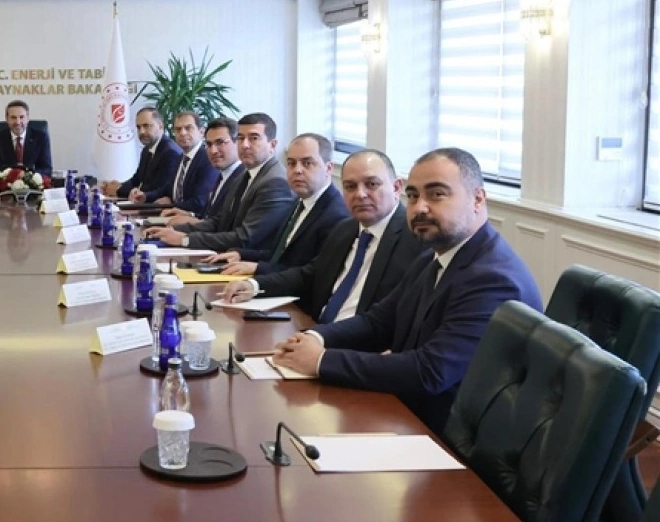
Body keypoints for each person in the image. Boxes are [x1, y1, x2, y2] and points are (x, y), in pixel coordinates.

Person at [272, 147, 542, 435]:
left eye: (436, 194)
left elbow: (430, 371)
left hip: (447, 437)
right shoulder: (434, 257)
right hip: (406, 412)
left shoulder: (493, 280)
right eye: (413, 196)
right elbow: (379, 322)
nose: (420, 207)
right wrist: (314, 338)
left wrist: (321, 360)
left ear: (477, 199)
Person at [221, 149, 427, 322]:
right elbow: (309, 275)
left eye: (372, 184)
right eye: (350, 186)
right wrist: (254, 285)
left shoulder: (416, 241)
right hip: (314, 331)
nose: (360, 194)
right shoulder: (346, 229)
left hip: (356, 346)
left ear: (396, 187)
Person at [146, 112, 294, 251]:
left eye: (254, 138)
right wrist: (172, 230)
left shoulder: (275, 183)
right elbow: (220, 222)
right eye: (241, 138)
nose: (244, 145)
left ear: (272, 145)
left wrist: (185, 239)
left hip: (248, 262)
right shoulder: (245, 175)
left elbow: (245, 237)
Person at [207, 134, 348, 275]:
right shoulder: (301, 201)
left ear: (328, 168)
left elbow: (311, 275)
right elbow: (280, 254)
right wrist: (241, 254)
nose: (297, 170)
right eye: (291, 163)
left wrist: (257, 271)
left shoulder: (336, 215)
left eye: (307, 163)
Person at [160, 117, 243, 224]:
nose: (213, 151)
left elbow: (229, 228)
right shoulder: (222, 175)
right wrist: (190, 215)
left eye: (220, 142)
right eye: (209, 144)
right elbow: (213, 217)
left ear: (238, 142)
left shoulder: (244, 179)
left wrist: (191, 229)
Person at [100, 108, 182, 201]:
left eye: (146, 126)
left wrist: (118, 190)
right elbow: (136, 180)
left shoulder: (170, 152)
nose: (142, 131)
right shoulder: (146, 150)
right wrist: (118, 186)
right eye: (138, 127)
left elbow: (158, 190)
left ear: (160, 126)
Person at [149, 112, 218, 217]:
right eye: (178, 129)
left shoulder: (207, 159)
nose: (182, 133)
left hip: (192, 220)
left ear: (201, 132)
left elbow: (199, 202)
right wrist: (145, 196)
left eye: (188, 128)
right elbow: (168, 189)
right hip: (171, 216)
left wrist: (170, 206)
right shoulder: (180, 157)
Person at [0, 100, 53, 175]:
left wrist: (26, 176)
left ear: (27, 118)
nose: (18, 122)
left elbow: (46, 169)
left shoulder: (41, 137)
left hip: (33, 181)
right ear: (7, 119)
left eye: (21, 117)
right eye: (13, 117)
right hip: (8, 181)